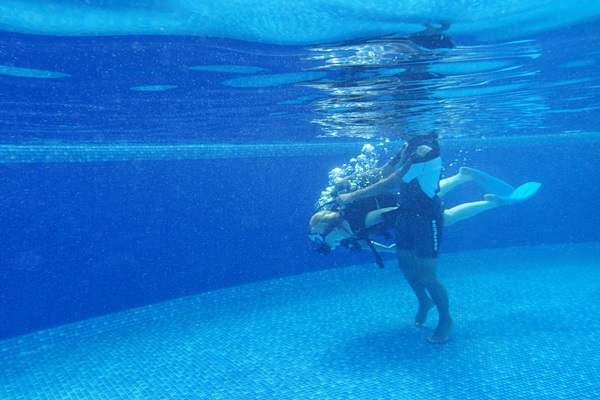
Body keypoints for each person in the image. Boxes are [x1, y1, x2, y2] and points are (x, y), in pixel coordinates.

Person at [335, 131, 445, 343]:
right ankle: (424, 301)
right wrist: (350, 180)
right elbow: (383, 171)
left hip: (427, 218)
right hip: (405, 214)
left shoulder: (425, 151)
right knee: (405, 264)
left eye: (397, 121)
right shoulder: (407, 147)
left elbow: (389, 182)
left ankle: (446, 320)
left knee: (427, 274)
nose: (394, 127)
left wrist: (352, 195)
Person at [309, 167, 541, 256]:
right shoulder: (346, 235)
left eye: (318, 237)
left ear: (330, 227)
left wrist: (413, 212)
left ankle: (492, 203)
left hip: (403, 211)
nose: (322, 242)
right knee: (431, 194)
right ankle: (463, 176)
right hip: (402, 209)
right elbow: (370, 245)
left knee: (447, 217)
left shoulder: (355, 223)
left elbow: (383, 214)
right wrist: (390, 249)